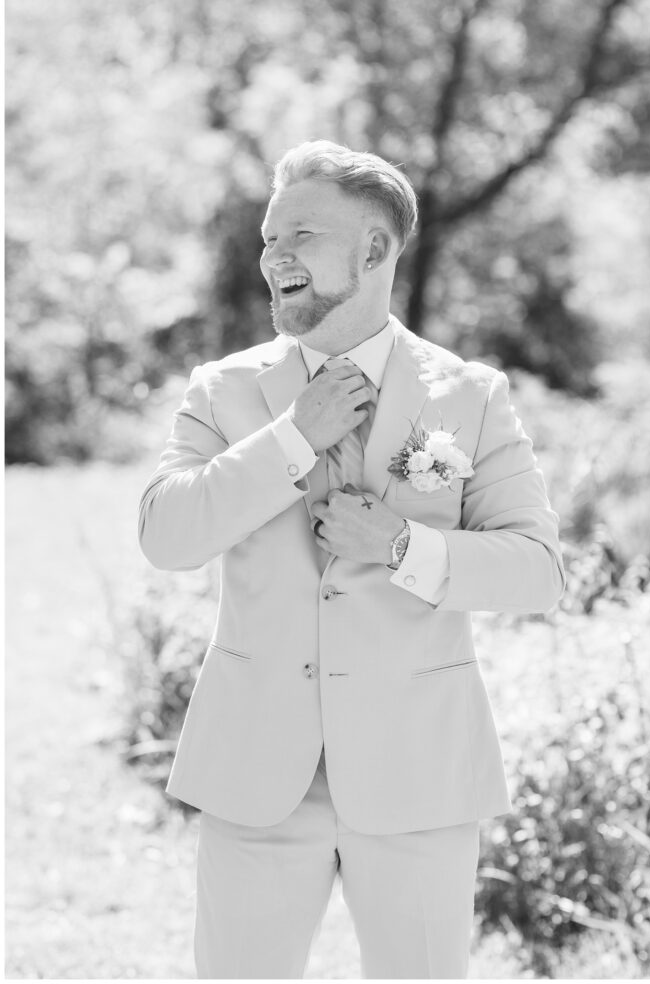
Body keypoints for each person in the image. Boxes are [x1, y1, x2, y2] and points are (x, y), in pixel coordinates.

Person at [138, 140, 565, 979]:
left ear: (375, 250)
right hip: (257, 774)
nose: (273, 257)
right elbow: (168, 535)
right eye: (269, 239)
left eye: (300, 234)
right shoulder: (222, 391)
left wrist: (404, 547)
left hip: (419, 776)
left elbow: (538, 571)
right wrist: (297, 434)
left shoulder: (470, 397)